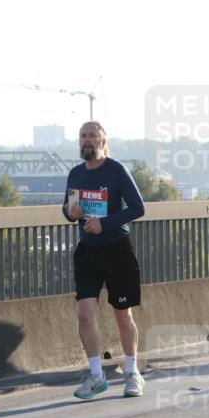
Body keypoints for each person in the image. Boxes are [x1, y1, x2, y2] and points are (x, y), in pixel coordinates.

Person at [62, 121, 146, 397]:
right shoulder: (75, 173)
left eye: (92, 136)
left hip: (116, 249)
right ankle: (97, 376)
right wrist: (70, 213)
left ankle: (133, 372)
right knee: (84, 314)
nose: (87, 140)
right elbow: (67, 208)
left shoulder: (116, 170)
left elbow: (138, 208)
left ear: (103, 141)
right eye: (83, 136)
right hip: (87, 252)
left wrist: (105, 223)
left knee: (123, 315)